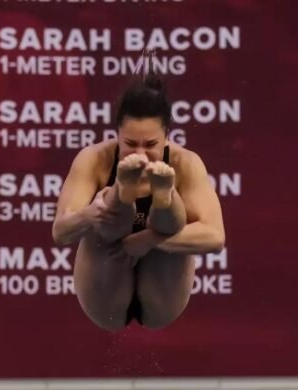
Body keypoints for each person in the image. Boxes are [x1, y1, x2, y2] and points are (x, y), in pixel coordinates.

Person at [52, 75, 225, 331]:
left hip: (162, 295)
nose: (141, 154)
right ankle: (122, 191)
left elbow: (215, 238)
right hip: (106, 289)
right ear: (117, 135)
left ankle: (163, 198)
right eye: (130, 144)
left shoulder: (186, 163)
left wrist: (149, 239)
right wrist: (90, 215)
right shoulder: (93, 159)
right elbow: (61, 232)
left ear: (167, 136)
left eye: (151, 145)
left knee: (168, 223)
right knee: (109, 217)